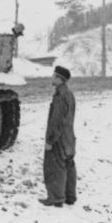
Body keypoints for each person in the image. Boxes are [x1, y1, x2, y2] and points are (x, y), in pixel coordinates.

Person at [40, 65, 77, 207]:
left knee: (55, 166)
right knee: (68, 165)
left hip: (59, 138)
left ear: (59, 79)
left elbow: (57, 120)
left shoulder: (60, 96)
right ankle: (70, 197)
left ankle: (55, 198)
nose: (52, 77)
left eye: (54, 75)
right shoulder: (69, 94)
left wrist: (50, 140)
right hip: (69, 137)